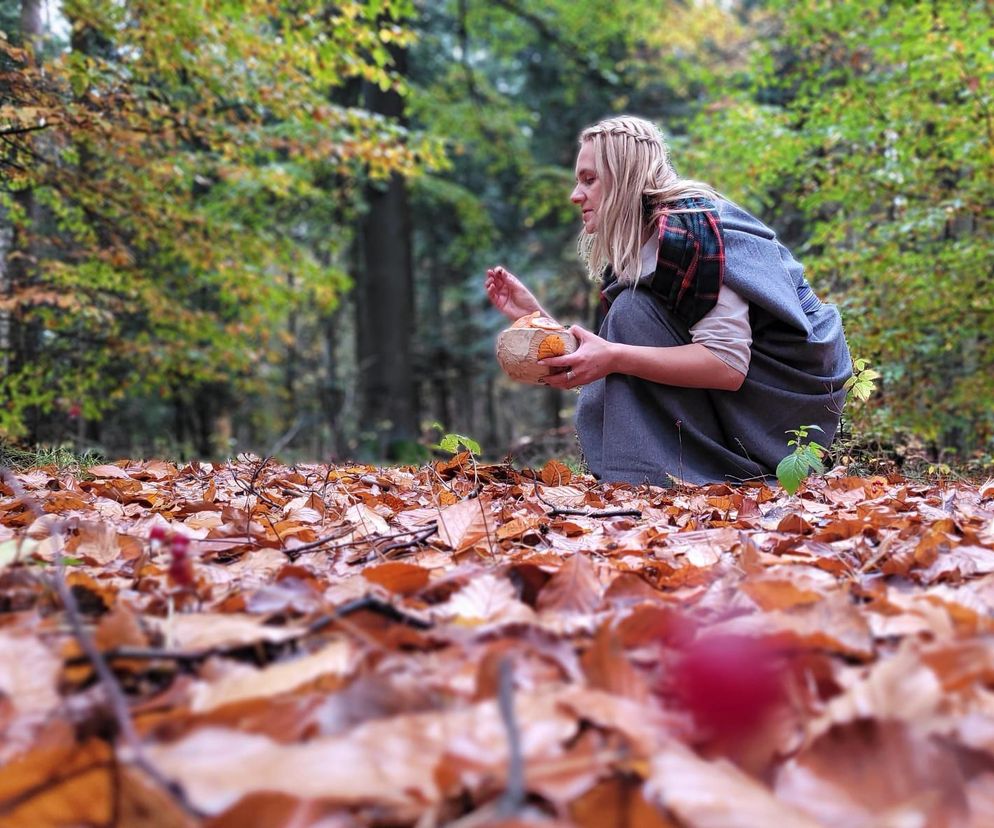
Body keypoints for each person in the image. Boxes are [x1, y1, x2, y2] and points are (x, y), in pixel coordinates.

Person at [485, 115, 852, 486]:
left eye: (589, 179)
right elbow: (626, 352)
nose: (575, 195)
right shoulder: (639, 244)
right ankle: (666, 473)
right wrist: (537, 319)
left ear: (624, 176)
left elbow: (727, 364)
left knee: (631, 311)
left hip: (787, 405)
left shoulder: (690, 232)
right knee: (631, 312)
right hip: (754, 399)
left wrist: (613, 356)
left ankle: (677, 476)